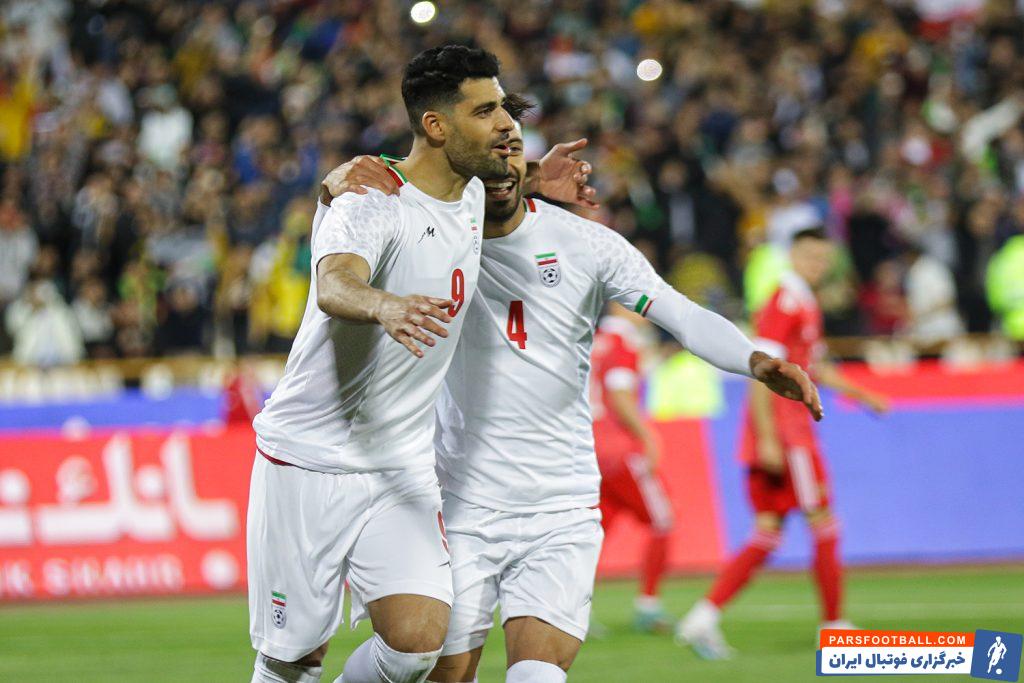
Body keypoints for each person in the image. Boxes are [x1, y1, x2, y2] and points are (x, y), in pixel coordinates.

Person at [325, 118, 822, 683]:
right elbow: (368, 211)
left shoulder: (586, 244)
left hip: (561, 509)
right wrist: (334, 186)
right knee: (427, 669)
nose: (503, 163)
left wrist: (755, 360)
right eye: (490, 152)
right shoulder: (432, 237)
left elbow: (679, 313)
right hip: (461, 506)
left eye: (514, 151)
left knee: (538, 676)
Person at [247, 46, 588, 683]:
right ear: (435, 125)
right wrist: (384, 305)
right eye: (484, 111)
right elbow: (334, 283)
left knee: (417, 646)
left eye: (504, 108)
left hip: (400, 464)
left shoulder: (472, 194)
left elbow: (497, 181)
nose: (506, 124)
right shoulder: (370, 198)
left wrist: (541, 178)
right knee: (294, 659)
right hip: (309, 459)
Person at [677, 227, 889, 660]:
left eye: (824, 258)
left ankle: (702, 618)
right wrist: (768, 438)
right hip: (787, 435)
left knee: (768, 533)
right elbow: (763, 371)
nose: (818, 265)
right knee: (824, 522)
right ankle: (834, 625)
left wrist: (863, 395)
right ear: (793, 256)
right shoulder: (785, 301)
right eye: (810, 256)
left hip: (783, 434)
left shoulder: (803, 301)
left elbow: (814, 367)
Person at [591, 306, 674, 632]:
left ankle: (570, 607)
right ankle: (648, 606)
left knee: (596, 530)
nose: (644, 309)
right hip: (620, 450)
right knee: (663, 519)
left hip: (592, 448)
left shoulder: (596, 340)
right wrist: (647, 436)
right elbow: (619, 394)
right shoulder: (623, 342)